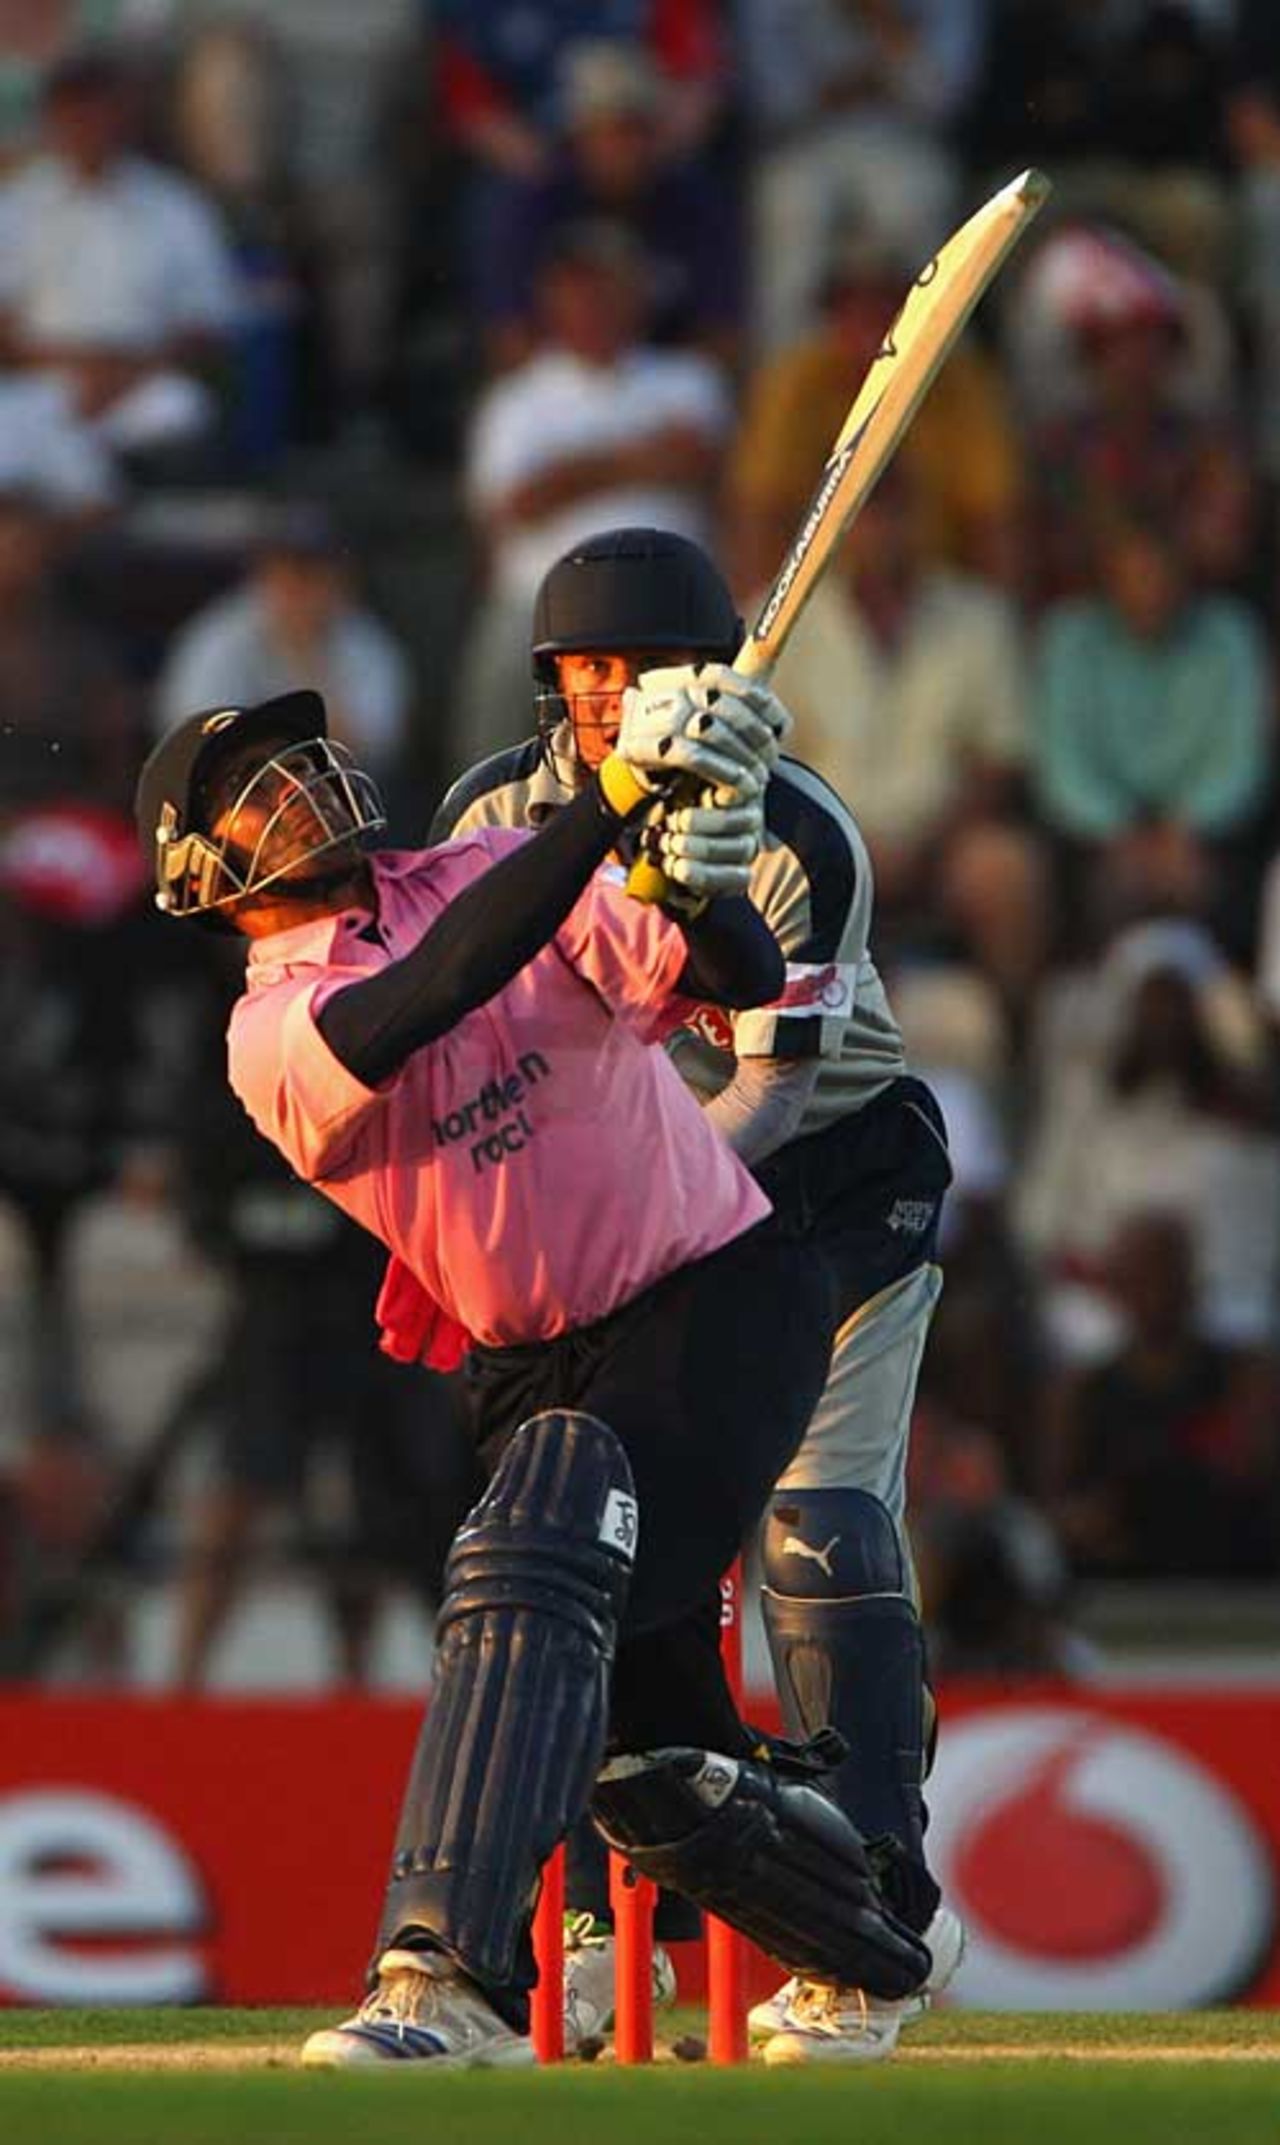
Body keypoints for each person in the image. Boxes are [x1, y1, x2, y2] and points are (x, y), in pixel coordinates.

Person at [134, 680, 932, 2069]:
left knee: (545, 1516)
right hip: (526, 1360)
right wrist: (616, 801)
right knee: (656, 1772)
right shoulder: (272, 1032)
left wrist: (700, 863)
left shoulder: (499, 856)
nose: (304, 780)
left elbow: (737, 974)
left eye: (301, 754)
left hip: (720, 1298)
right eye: (256, 784)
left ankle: (446, 1977)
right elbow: (434, 993)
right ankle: (875, 1946)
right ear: (200, 875)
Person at [432, 525, 965, 2063]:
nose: (614, 695)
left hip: (823, 1191)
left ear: (709, 674)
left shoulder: (799, 830)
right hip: (622, 1200)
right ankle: (603, 1923)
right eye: (589, 669)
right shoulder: (496, 813)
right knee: (599, 1540)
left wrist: (624, 1242)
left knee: (818, 1528)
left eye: (647, 668)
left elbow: (773, 1095)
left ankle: (877, 1912)